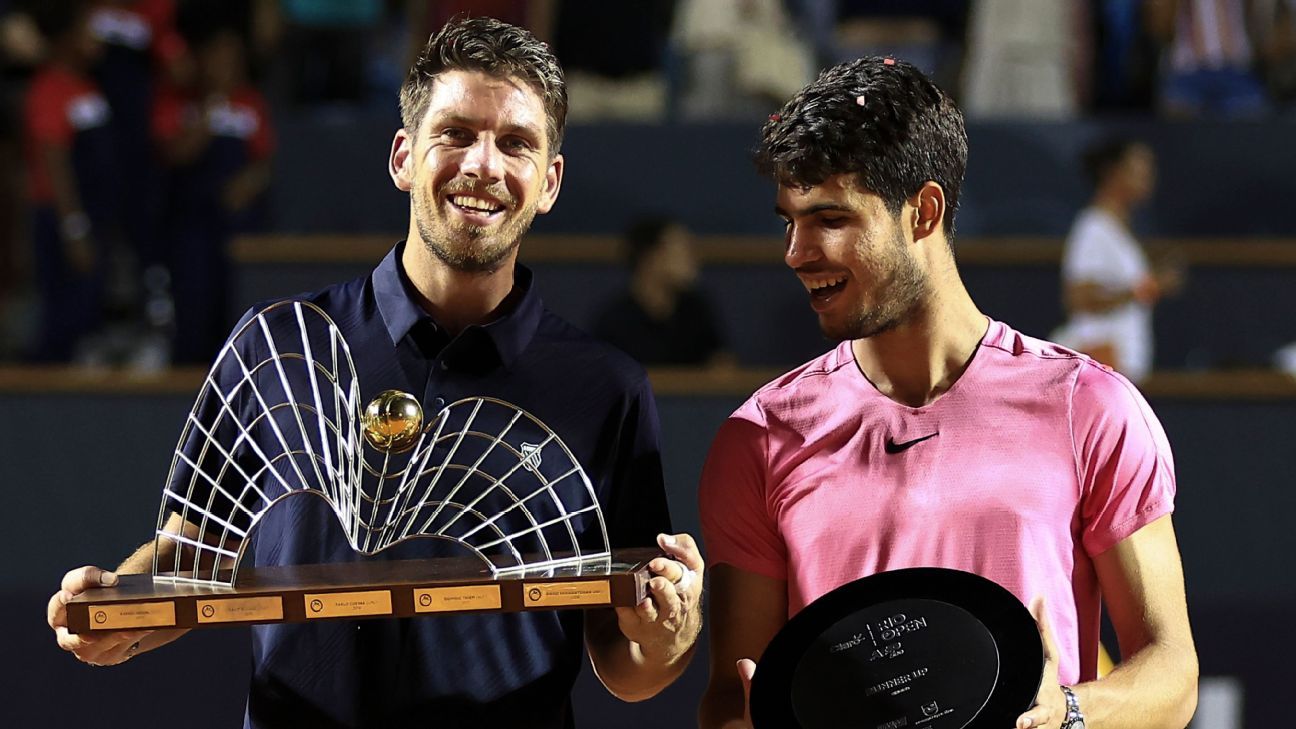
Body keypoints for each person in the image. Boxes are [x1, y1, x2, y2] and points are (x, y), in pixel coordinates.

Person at [47, 17, 704, 729]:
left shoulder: (607, 388)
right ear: (402, 156)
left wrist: (670, 636)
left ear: (548, 182)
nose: (483, 164)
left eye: (515, 143)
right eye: (455, 133)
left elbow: (627, 665)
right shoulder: (276, 345)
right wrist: (120, 604)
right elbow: (193, 557)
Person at [697, 57, 1197, 729]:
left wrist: (1069, 712)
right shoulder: (758, 436)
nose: (796, 250)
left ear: (924, 212)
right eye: (789, 220)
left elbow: (1171, 672)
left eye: (829, 219)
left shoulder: (1090, 407)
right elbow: (734, 697)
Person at [152, 26, 274, 364]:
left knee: (236, 311)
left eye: (233, 58)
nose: (226, 65)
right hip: (192, 226)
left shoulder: (251, 103)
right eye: (218, 57)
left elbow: (266, 161)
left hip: (237, 227)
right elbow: (176, 154)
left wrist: (248, 181)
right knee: (194, 309)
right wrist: (210, 106)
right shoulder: (179, 103)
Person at [22, 0, 116, 362]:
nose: (97, 37)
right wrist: (74, 228)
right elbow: (54, 161)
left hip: (92, 214)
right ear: (65, 38)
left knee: (91, 314)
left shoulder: (87, 86)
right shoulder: (50, 88)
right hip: (62, 219)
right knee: (65, 319)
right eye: (88, 29)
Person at [1053, 137, 1182, 384]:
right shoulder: (1093, 228)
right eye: (1138, 168)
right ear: (1112, 173)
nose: (1148, 176)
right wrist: (1148, 287)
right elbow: (1077, 298)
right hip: (1101, 362)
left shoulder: (1118, 229)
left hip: (1118, 368)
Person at [593, 216, 730, 366]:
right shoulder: (613, 321)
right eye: (683, 249)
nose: (693, 259)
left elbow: (722, 367)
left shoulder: (697, 309)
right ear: (651, 257)